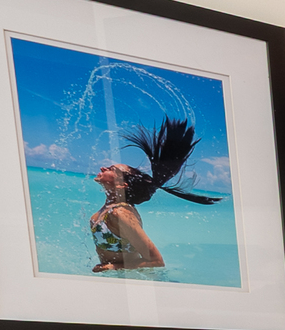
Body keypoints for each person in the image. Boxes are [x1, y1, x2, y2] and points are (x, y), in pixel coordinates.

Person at [89, 117, 222, 274]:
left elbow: (156, 261)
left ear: (121, 185)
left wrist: (112, 267)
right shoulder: (108, 209)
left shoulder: (121, 213)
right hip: (118, 278)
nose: (103, 168)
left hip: (132, 280)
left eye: (111, 169)